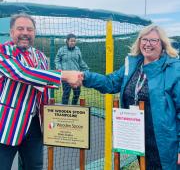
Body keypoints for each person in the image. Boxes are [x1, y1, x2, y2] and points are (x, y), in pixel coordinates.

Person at [78, 25, 180, 169]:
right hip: (136, 135)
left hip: (164, 141)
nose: (148, 44)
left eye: (153, 40)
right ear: (139, 42)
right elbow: (110, 82)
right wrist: (84, 77)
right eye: (144, 39)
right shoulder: (132, 64)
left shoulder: (174, 69)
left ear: (162, 44)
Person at [0, 13, 82, 170]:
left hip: (34, 125)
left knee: (35, 166)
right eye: (20, 28)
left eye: (29, 29)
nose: (25, 32)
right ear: (11, 33)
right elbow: (22, 73)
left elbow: (44, 88)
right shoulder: (3, 52)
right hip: (7, 124)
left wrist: (49, 118)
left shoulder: (41, 57)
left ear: (34, 33)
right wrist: (64, 76)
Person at [55, 33, 89, 105]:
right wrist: (59, 68)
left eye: (74, 41)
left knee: (77, 93)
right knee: (66, 93)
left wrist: (86, 69)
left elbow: (80, 61)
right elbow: (57, 60)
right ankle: (64, 109)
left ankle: (74, 107)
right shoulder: (61, 50)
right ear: (67, 41)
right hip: (66, 76)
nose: (73, 42)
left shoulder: (77, 50)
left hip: (76, 75)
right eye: (71, 41)